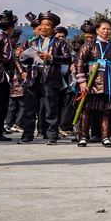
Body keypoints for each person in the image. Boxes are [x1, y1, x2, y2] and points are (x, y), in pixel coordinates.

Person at [18, 11, 70, 144]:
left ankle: (52, 136)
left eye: (47, 25)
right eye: (42, 24)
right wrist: (22, 72)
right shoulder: (31, 42)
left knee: (50, 108)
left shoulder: (60, 43)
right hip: (32, 78)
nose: (43, 27)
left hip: (50, 78)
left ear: (53, 28)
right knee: (29, 109)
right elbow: (18, 58)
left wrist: (51, 58)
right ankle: (27, 135)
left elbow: (67, 58)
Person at [75, 19, 111, 148]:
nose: (106, 31)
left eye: (108, 29)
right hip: (91, 81)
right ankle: (83, 136)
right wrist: (82, 81)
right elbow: (80, 62)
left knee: (106, 111)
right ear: (97, 30)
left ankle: (106, 137)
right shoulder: (89, 45)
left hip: (108, 81)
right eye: (103, 28)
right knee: (86, 110)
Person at [0, 11, 16, 141]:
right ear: (11, 28)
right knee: (1, 105)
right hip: (0, 77)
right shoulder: (5, 38)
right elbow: (8, 58)